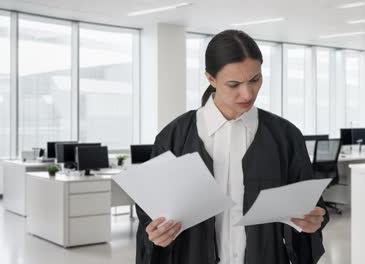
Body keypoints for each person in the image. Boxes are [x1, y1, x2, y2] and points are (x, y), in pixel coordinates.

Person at [136, 29, 328, 264]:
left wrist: (314, 220)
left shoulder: (285, 137)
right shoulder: (174, 138)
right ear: (211, 79)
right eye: (234, 84)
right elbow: (151, 217)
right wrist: (156, 234)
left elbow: (311, 204)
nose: (247, 93)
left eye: (255, 80)